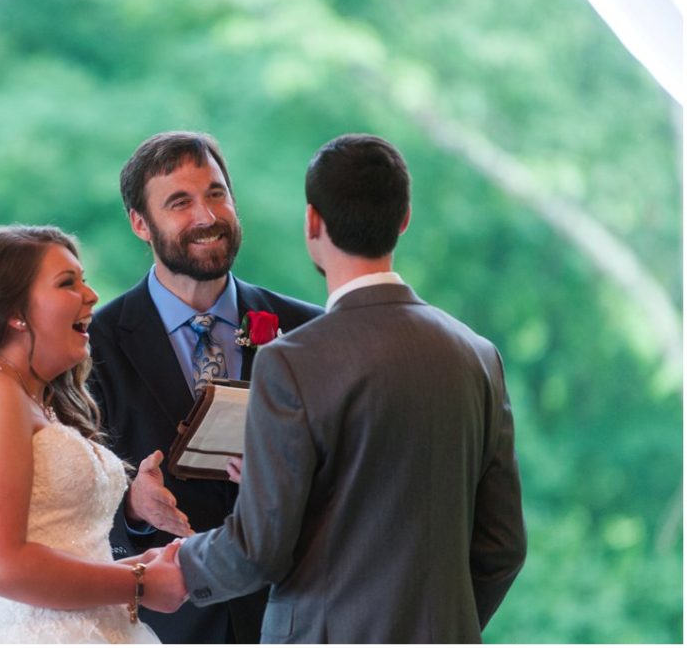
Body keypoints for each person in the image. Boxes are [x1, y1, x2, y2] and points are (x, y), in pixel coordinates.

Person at [177, 134, 528, 642]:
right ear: (404, 219)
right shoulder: (478, 355)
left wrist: (179, 565)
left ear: (312, 222)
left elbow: (259, 551)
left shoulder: (291, 360)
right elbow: (503, 547)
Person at [0, 225, 186, 644]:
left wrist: (141, 566)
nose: (91, 295)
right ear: (16, 312)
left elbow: (62, 548)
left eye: (84, 280)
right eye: (68, 283)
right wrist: (140, 583)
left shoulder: (33, 400)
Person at [88, 131, 324, 643]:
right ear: (140, 224)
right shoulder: (93, 348)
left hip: (297, 620)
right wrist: (133, 509)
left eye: (216, 194)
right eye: (180, 202)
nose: (206, 216)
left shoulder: (310, 330)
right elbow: (67, 514)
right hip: (166, 628)